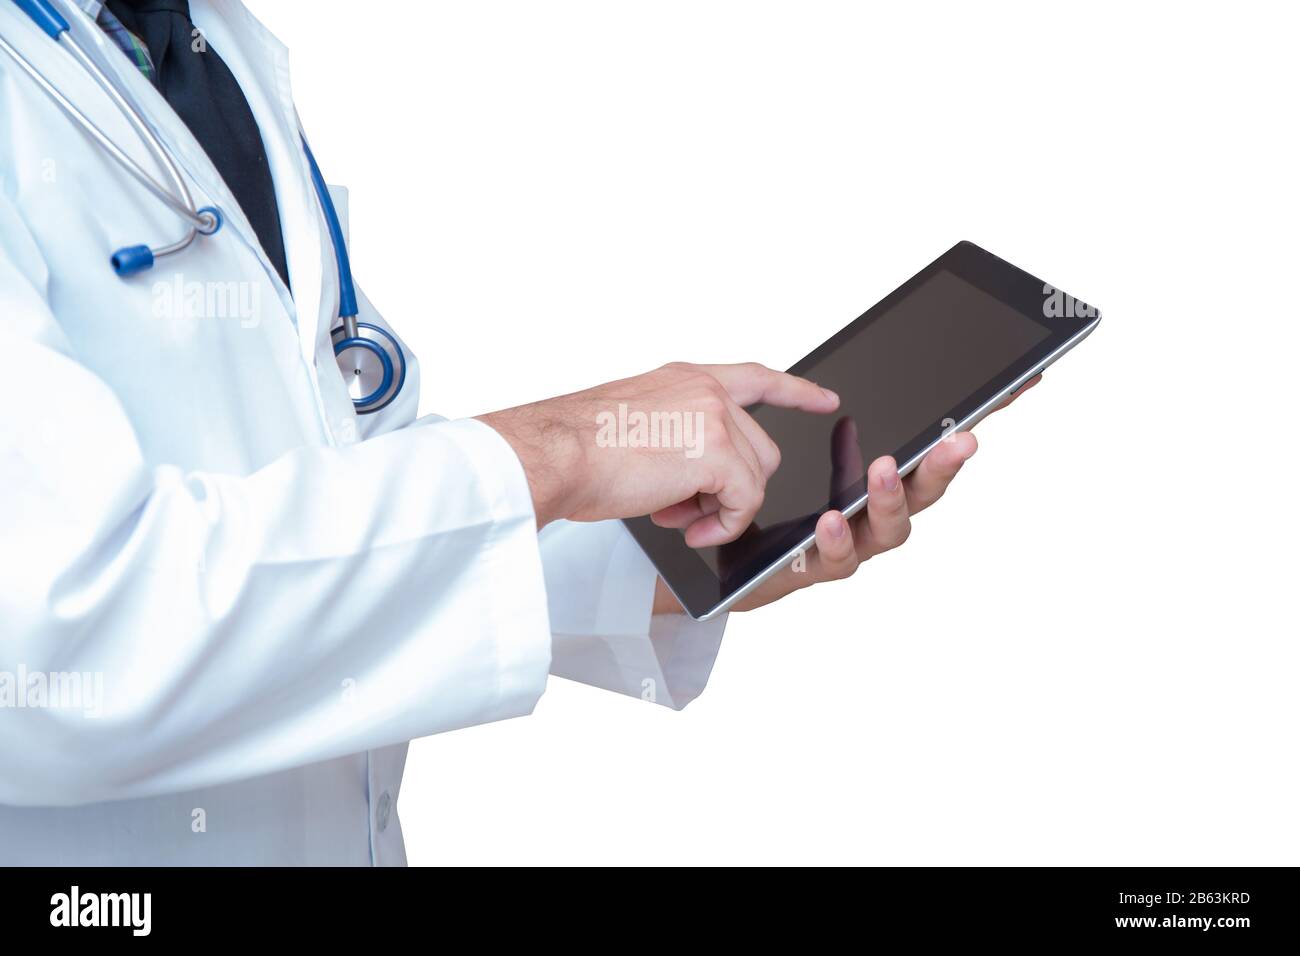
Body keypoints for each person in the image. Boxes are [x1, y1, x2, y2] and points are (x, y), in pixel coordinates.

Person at [0, 0, 1030, 865]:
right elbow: (51, 638)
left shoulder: (198, 42)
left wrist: (678, 551)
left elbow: (339, 498)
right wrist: (565, 449)